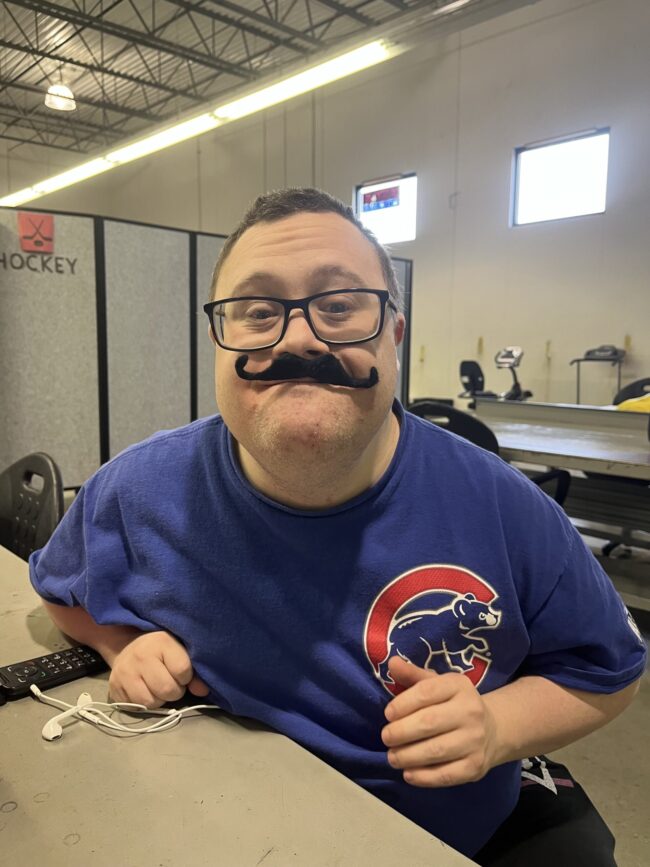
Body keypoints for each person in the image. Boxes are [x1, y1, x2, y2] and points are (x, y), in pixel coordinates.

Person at [30, 188, 646, 865]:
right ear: (217, 339)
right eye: (259, 311)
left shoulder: (502, 505)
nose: (299, 337)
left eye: (340, 306)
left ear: (394, 334)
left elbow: (609, 672)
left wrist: (497, 726)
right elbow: (60, 590)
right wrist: (122, 645)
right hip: (228, 825)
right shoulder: (138, 489)